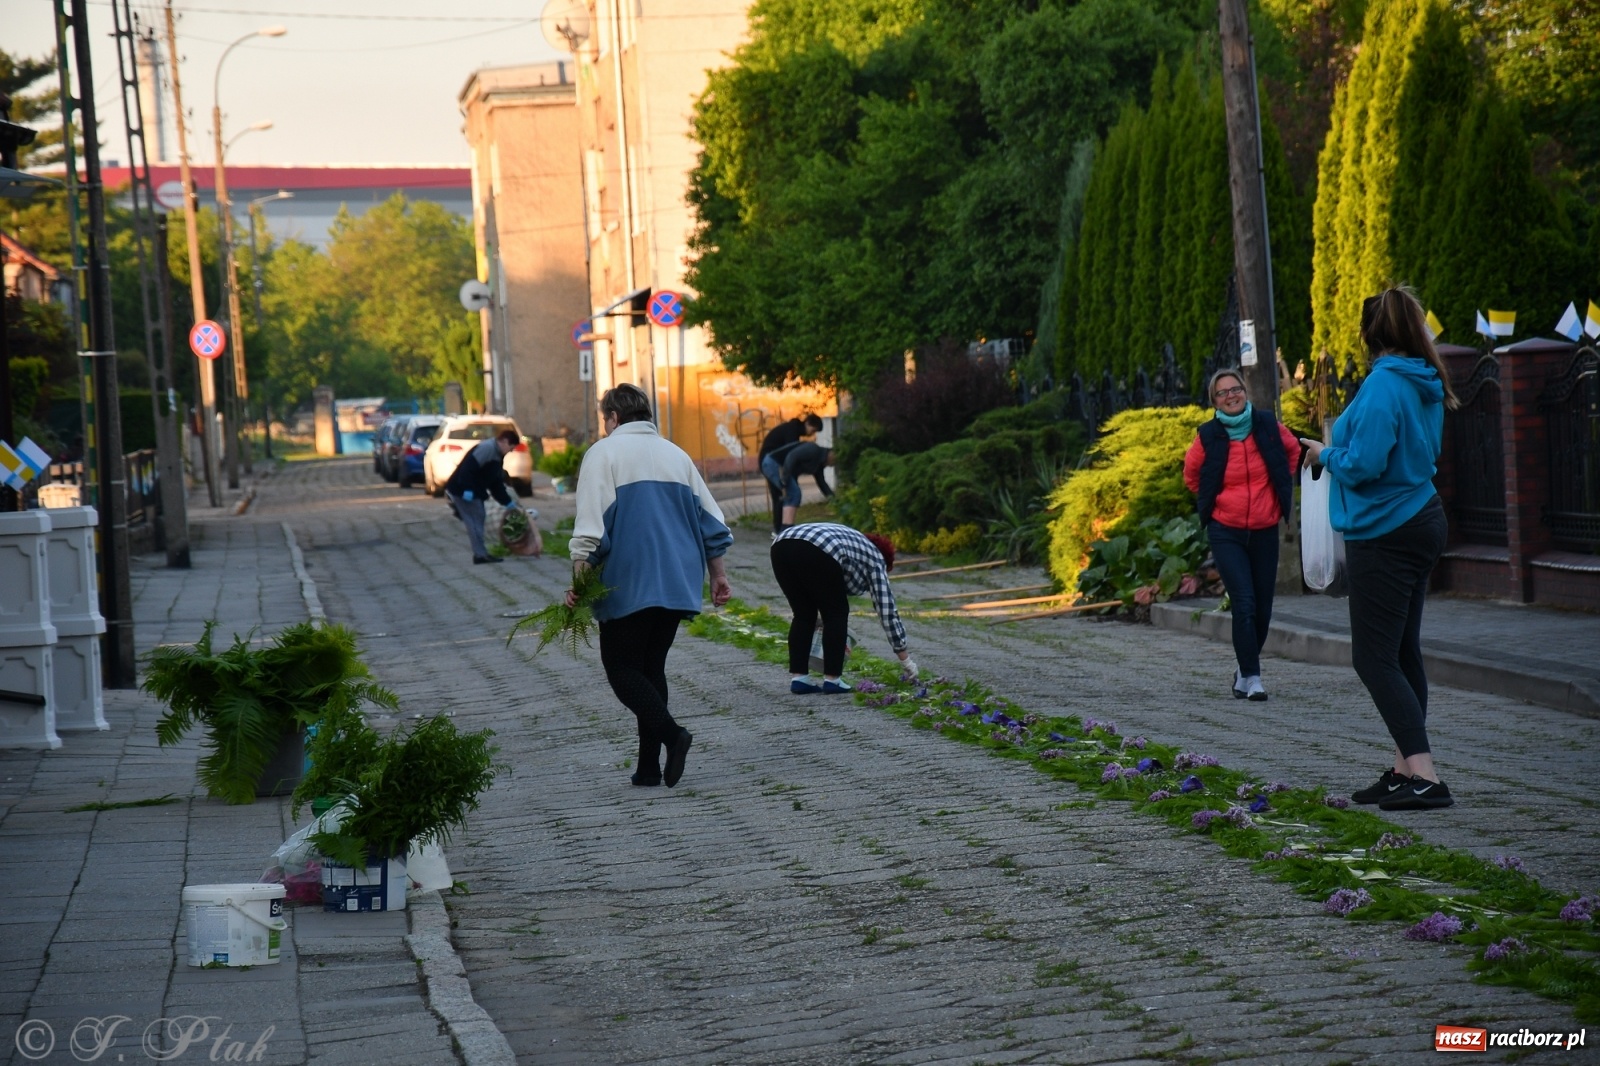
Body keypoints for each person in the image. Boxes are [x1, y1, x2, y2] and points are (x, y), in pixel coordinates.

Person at [1300, 285, 1458, 811]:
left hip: (1385, 530)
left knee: (1372, 658)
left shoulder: (1384, 385)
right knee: (1400, 650)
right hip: (1422, 515)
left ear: (1370, 333)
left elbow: (1365, 464)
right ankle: (1403, 769)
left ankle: (1428, 777)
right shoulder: (1423, 379)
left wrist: (1326, 453)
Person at [567, 384, 733, 788]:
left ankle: (673, 735)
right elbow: (712, 522)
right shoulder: (676, 455)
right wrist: (719, 575)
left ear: (612, 417)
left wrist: (579, 581)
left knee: (622, 669)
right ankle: (648, 769)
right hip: (679, 578)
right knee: (651, 668)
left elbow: (591, 528)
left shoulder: (603, 454)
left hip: (629, 579)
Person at [1182, 369, 1301, 701]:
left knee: (1263, 607)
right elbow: (1192, 475)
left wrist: (1277, 488)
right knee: (1244, 603)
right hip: (1226, 531)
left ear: (1245, 393)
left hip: (1264, 529)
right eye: (1223, 393)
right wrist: (1217, 502)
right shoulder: (1208, 436)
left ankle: (1242, 671)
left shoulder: (1267, 425)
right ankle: (1252, 676)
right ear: (1214, 401)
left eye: (1236, 389)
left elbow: (1292, 452)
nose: (1231, 396)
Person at [770, 523, 915, 693]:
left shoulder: (853, 542)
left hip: (780, 545)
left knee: (803, 614)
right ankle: (832, 679)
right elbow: (887, 609)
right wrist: (905, 659)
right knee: (836, 613)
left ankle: (800, 678)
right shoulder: (877, 558)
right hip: (819, 547)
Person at [444, 429, 526, 565]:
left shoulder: (498, 455)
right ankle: (480, 555)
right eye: (511, 448)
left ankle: (481, 553)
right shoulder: (487, 448)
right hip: (462, 490)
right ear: (504, 441)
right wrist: (467, 489)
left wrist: (507, 502)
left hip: (474, 490)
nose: (511, 451)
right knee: (475, 520)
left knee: (478, 518)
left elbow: (495, 483)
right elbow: (468, 468)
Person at [759, 414, 823, 533]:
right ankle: (780, 530)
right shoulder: (792, 432)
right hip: (770, 463)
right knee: (782, 494)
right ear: (808, 423)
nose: (812, 434)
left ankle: (780, 528)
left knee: (781, 494)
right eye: (813, 430)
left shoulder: (792, 429)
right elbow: (790, 456)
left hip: (769, 461)